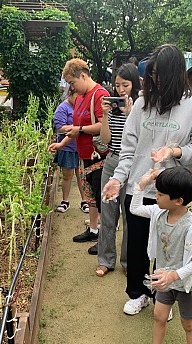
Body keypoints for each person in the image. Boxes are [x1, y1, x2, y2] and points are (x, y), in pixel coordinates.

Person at [102, 44, 192, 315]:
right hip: (140, 188)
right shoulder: (142, 104)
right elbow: (128, 148)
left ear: (176, 74)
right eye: (152, 76)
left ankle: (164, 294)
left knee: (171, 247)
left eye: (161, 75)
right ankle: (137, 293)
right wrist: (118, 179)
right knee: (137, 244)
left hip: (173, 191)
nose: (156, 81)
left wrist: (175, 151)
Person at [131, 167, 192, 344]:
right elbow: (135, 208)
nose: (156, 196)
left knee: (188, 323)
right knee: (159, 315)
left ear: (178, 200)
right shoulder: (158, 213)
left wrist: (174, 275)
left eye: (161, 194)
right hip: (163, 279)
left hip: (185, 284)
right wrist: (141, 185)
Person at [48, 59, 110, 251]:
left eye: (72, 83)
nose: (71, 87)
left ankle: (104, 239)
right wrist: (61, 144)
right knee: (90, 195)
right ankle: (92, 230)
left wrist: (80, 130)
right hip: (84, 154)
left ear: (83, 76)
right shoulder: (82, 96)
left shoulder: (99, 94)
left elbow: (103, 126)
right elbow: (75, 129)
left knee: (102, 198)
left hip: (98, 155)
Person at [95, 62, 140, 276]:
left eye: (125, 85)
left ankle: (128, 261)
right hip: (112, 161)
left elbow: (140, 139)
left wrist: (131, 113)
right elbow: (105, 141)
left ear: (134, 84)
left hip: (133, 164)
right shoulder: (112, 110)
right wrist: (104, 115)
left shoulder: (142, 108)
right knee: (108, 213)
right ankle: (105, 259)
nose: (121, 90)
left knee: (130, 213)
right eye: (118, 86)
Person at [51, 88, 88, 214]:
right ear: (70, 94)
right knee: (67, 175)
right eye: (77, 97)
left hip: (82, 146)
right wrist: (76, 128)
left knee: (82, 175)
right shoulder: (62, 108)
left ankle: (85, 201)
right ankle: (65, 201)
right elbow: (60, 128)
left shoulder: (83, 106)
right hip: (67, 147)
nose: (79, 100)